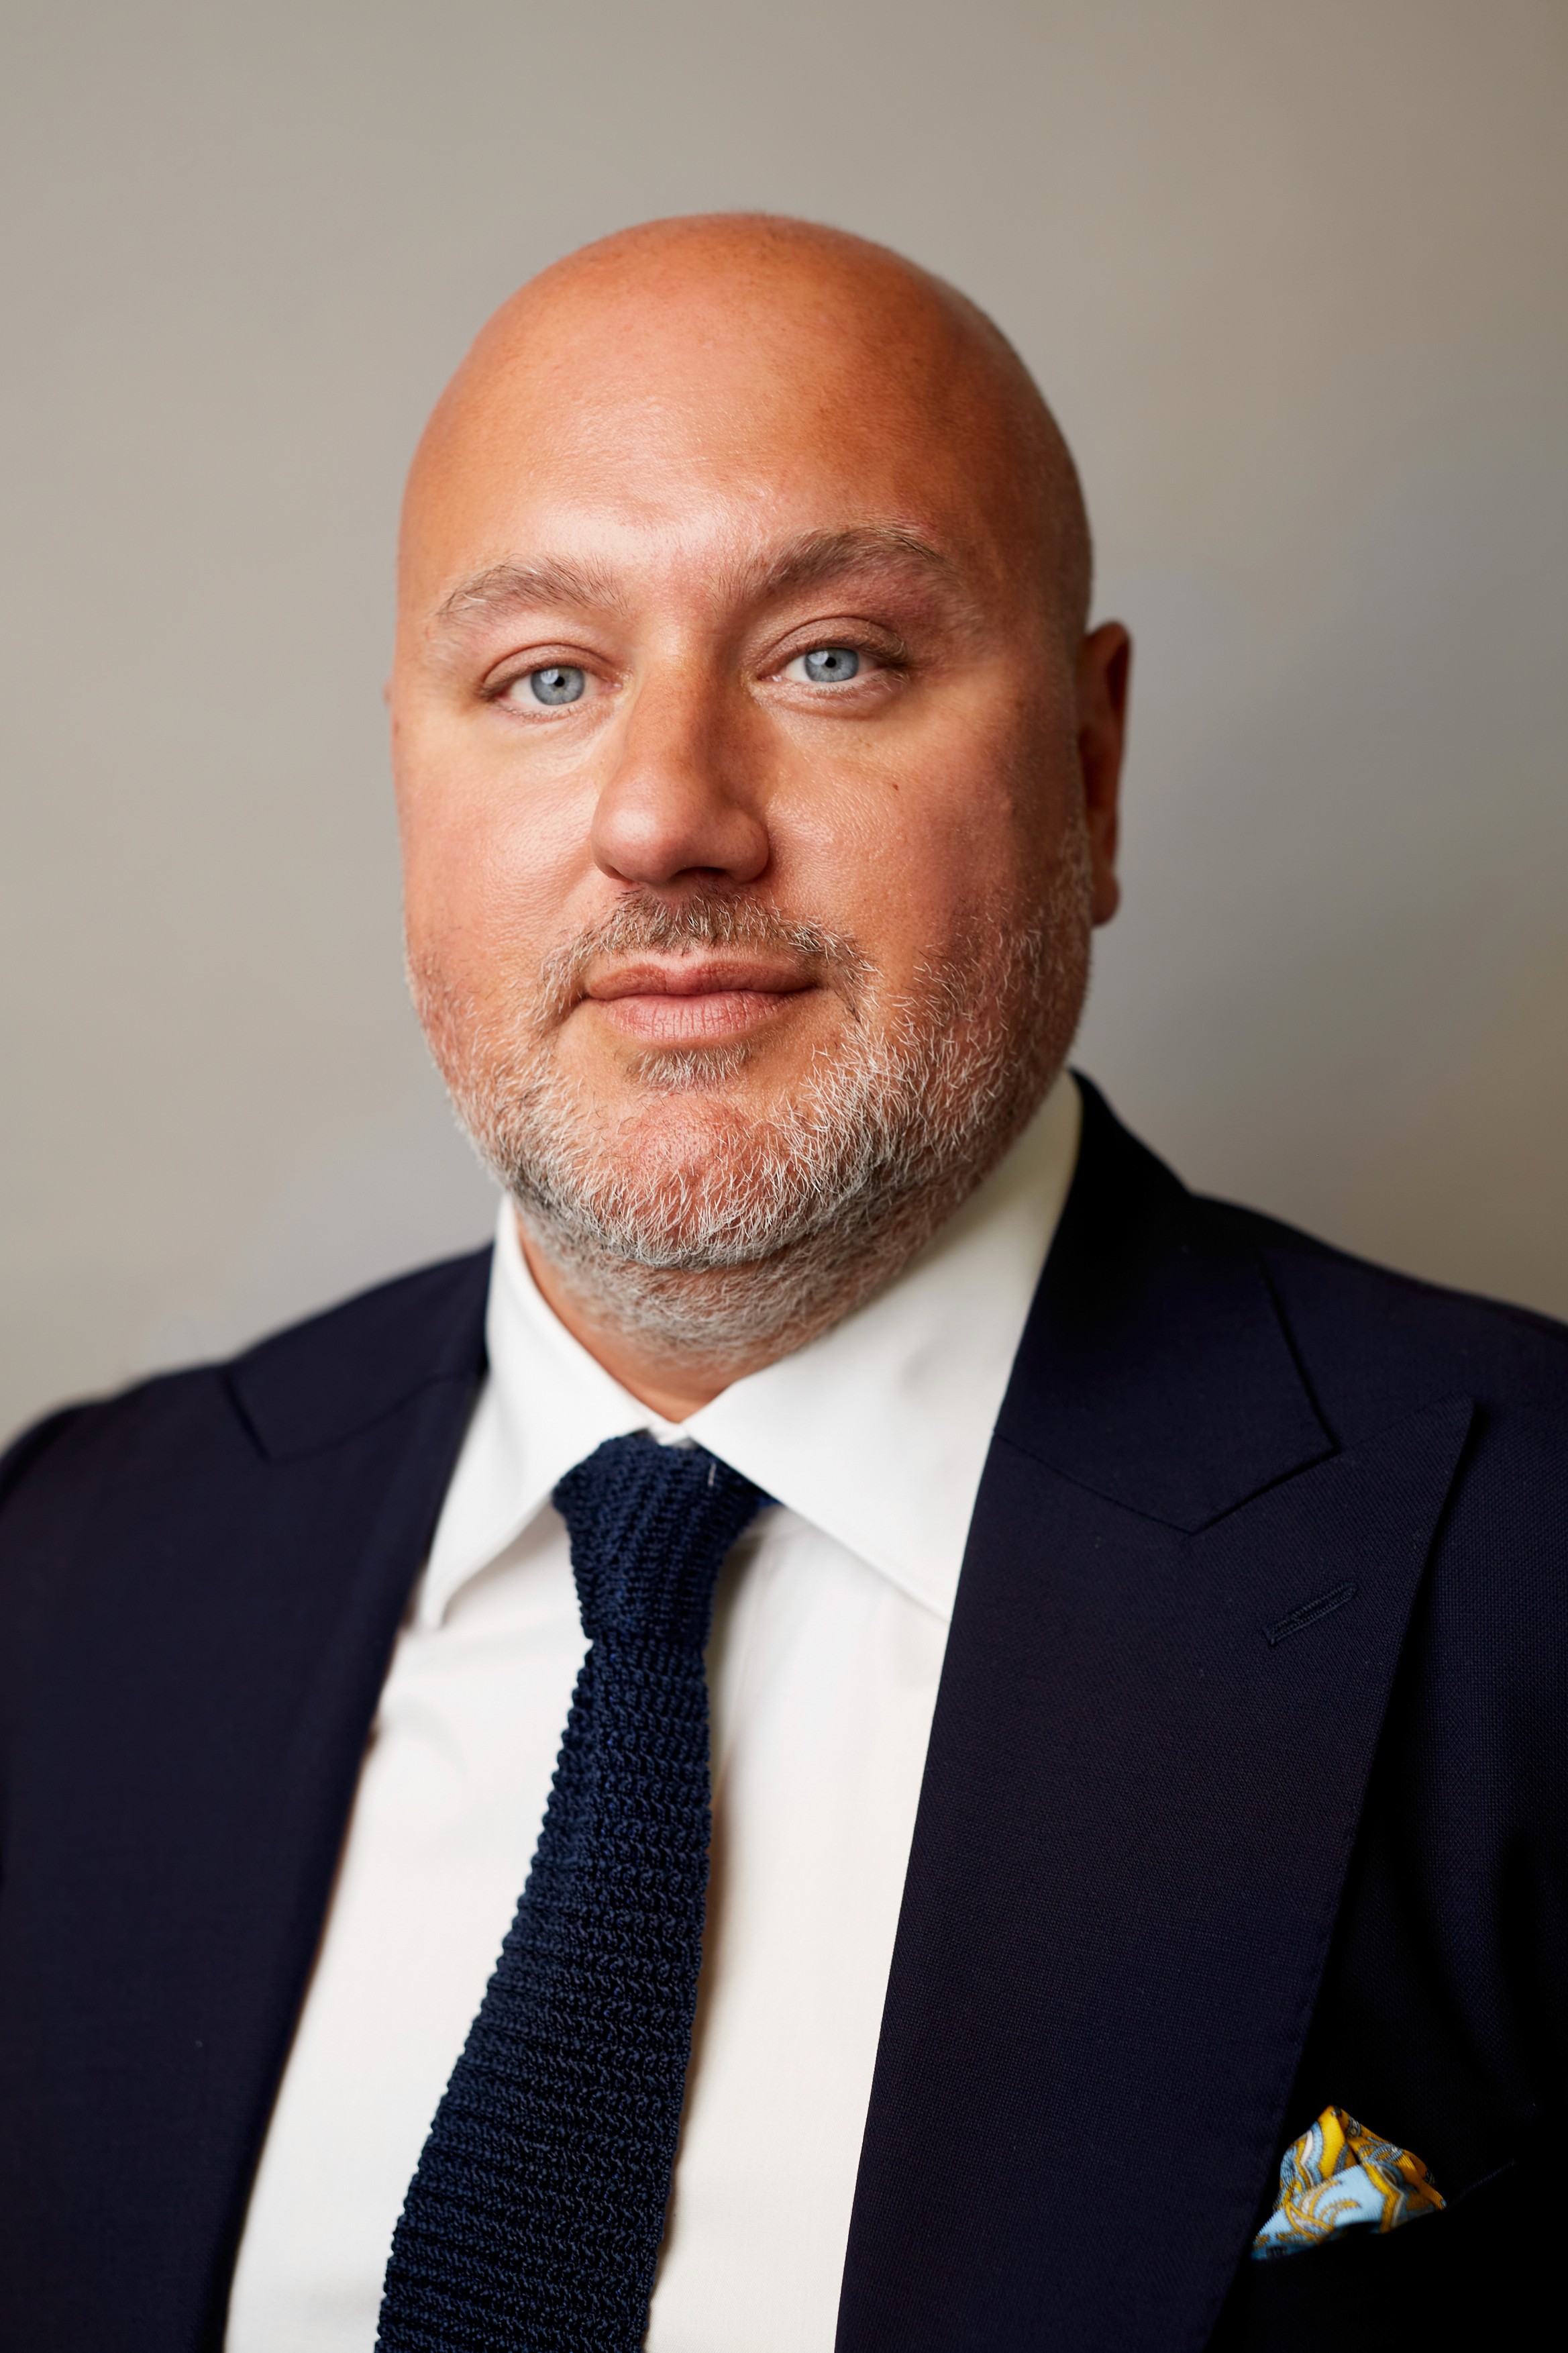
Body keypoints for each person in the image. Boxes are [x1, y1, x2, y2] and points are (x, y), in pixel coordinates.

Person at [0, 214, 1561, 2353]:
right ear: (406, 776)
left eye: (832, 655)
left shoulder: (1533, 1580)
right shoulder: (66, 1577)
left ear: (1091, 771)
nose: (663, 818)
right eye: (543, 677)